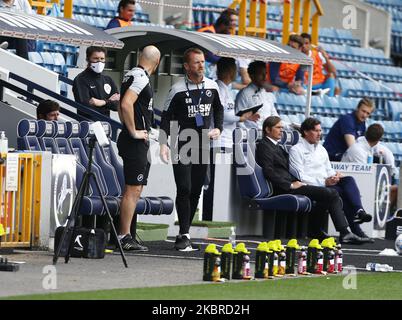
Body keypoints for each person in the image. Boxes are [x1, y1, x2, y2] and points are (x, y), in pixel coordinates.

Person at [255, 116, 366, 244]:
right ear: (268, 129)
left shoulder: (276, 146)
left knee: (333, 192)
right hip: (285, 187)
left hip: (295, 184)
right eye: (278, 128)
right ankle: (343, 232)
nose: (282, 131)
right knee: (331, 193)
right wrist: (290, 185)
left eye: (282, 127)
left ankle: (325, 230)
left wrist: (333, 175)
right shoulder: (265, 146)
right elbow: (268, 171)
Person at [159, 48, 223, 251]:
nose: (201, 65)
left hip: (203, 142)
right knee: (184, 187)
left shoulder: (212, 86)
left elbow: (219, 108)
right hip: (181, 141)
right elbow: (166, 117)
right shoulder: (177, 89)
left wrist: (218, 128)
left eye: (203, 62)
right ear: (186, 66)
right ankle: (183, 234)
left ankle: (185, 231)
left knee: (196, 189)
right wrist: (163, 143)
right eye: (196, 62)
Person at [289, 117, 374, 243]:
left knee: (348, 180)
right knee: (339, 193)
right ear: (306, 132)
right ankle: (349, 231)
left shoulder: (321, 149)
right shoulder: (296, 150)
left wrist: (335, 175)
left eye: (320, 131)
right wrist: (324, 182)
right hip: (308, 186)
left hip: (325, 184)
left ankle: (359, 211)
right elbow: (299, 176)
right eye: (316, 131)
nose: (319, 134)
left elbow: (328, 169)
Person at [116, 45, 161, 251]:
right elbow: (126, 104)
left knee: (136, 188)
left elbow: (121, 106)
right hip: (134, 140)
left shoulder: (130, 74)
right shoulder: (141, 77)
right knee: (132, 189)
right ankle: (124, 236)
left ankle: (127, 235)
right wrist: (133, 131)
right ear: (157, 62)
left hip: (135, 139)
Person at [203, 57, 258, 221]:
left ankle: (216, 215)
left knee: (221, 182)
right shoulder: (217, 89)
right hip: (218, 142)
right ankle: (209, 216)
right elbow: (220, 115)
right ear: (229, 71)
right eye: (234, 69)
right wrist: (241, 118)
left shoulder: (227, 90)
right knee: (214, 181)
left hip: (228, 141)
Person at [342, 123, 398, 209]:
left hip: (361, 182)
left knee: (395, 188)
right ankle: (381, 213)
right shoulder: (358, 150)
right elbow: (364, 176)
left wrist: (392, 170)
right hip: (355, 185)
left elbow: (387, 152)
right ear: (379, 139)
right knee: (395, 189)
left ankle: (382, 214)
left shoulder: (365, 144)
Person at [72, 46, 120, 119]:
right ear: (88, 59)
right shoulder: (81, 79)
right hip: (88, 124)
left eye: (102, 59)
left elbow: (118, 105)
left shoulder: (108, 80)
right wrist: (110, 101)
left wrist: (103, 102)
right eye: (96, 58)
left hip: (107, 123)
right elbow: (85, 106)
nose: (99, 61)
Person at [235, 61, 279, 130]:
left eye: (266, 73)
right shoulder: (243, 94)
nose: (265, 77)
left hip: (268, 135)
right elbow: (238, 121)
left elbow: (275, 117)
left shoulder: (267, 94)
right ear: (252, 76)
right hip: (251, 137)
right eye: (261, 74)